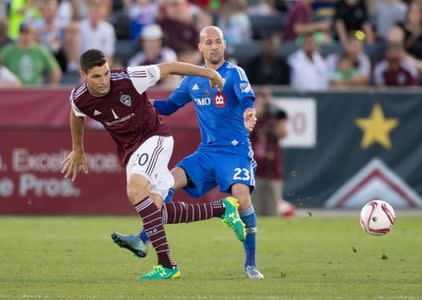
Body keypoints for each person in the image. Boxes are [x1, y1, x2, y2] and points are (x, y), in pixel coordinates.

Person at [61, 48, 247, 280]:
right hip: (130, 150)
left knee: (135, 190)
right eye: (96, 76)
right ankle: (222, 209)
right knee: (154, 209)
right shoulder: (79, 96)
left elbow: (169, 67)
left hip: (155, 137)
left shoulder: (129, 78)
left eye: (106, 73)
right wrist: (78, 149)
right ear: (83, 75)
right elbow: (76, 113)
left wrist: (208, 73)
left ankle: (167, 265)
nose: (104, 80)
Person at [111, 26, 264, 279]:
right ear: (200, 46)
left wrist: (249, 112)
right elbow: (169, 106)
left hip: (235, 152)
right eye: (209, 42)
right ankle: (142, 239)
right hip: (206, 153)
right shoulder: (192, 80)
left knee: (242, 198)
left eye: (218, 42)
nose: (214, 46)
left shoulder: (235, 73)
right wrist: (142, 106)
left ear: (224, 45)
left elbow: (247, 99)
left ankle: (250, 264)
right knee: (167, 182)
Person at [250, 87, 288, 217]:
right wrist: (255, 113)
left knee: (272, 211)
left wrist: (278, 116)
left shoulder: (273, 119)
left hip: (273, 171)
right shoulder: (250, 118)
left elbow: (282, 134)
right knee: (254, 210)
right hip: (254, 172)